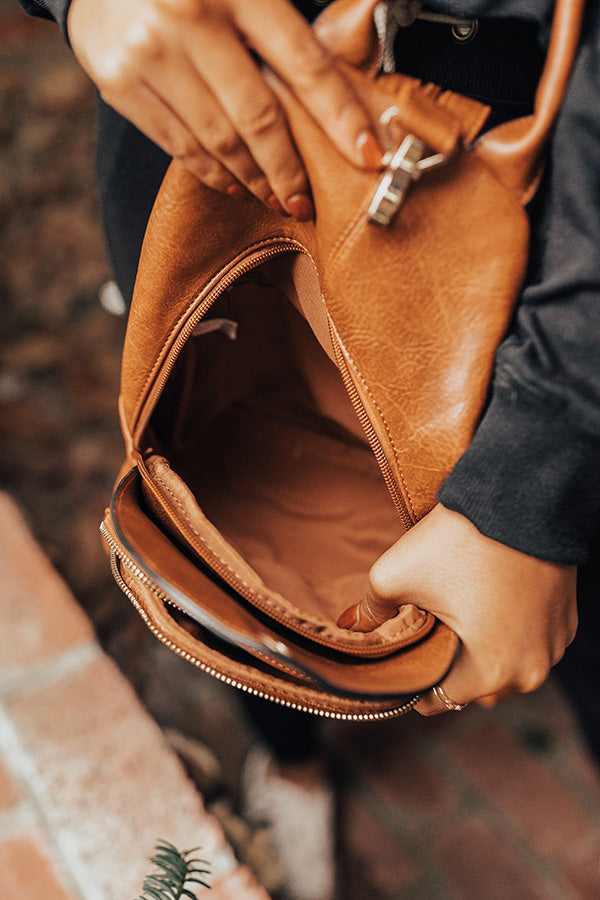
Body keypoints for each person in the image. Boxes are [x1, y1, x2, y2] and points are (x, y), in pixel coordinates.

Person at [16, 0, 600, 895]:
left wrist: (538, 466)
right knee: (216, 540)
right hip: (209, 131)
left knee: (562, 598)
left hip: (558, 237)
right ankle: (289, 759)